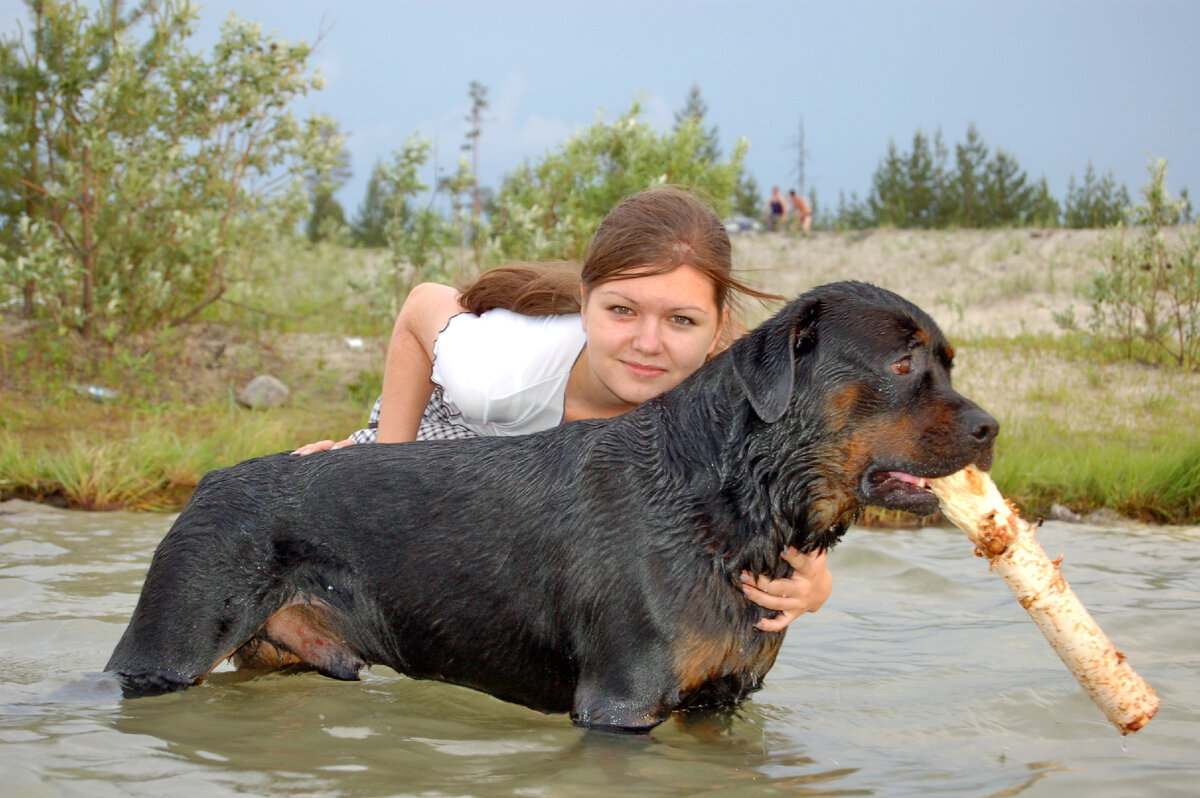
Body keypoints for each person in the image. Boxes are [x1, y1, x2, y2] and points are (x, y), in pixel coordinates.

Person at [296, 186, 833, 631]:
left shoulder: (738, 394)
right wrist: (382, 470)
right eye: (622, 310)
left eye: (681, 320)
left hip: (561, 489)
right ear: (584, 302)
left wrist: (816, 584)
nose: (648, 343)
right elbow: (421, 306)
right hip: (457, 439)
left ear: (717, 328)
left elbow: (788, 489)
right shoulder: (498, 372)